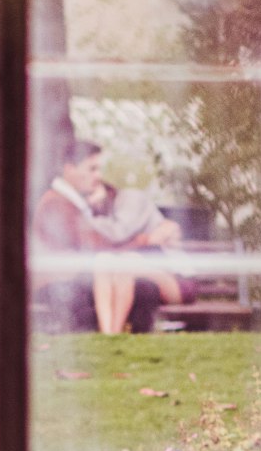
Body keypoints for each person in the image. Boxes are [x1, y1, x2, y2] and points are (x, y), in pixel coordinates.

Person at [33, 140, 172, 333]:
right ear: (69, 169)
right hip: (59, 285)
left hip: (72, 280)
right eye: (92, 169)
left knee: (143, 286)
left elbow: (96, 238)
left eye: (99, 169)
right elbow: (93, 246)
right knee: (144, 288)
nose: (98, 176)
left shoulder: (73, 201)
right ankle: (119, 340)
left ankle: (123, 342)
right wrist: (145, 240)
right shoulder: (57, 205)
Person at [88, 181, 197, 334]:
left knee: (126, 262)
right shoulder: (102, 216)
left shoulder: (129, 199)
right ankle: (108, 334)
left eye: (92, 192)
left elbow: (121, 233)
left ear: (106, 186)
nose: (90, 199)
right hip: (143, 271)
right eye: (85, 196)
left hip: (176, 278)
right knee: (103, 261)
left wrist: (147, 239)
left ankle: (115, 332)